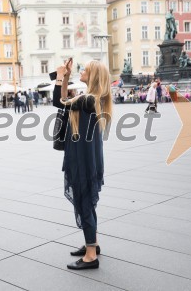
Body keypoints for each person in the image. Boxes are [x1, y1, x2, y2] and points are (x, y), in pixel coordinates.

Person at [53, 59, 113, 270]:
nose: (82, 71)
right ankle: (93, 244)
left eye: (85, 70)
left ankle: (90, 257)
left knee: (85, 203)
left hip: (83, 160)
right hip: (86, 156)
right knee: (88, 202)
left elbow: (59, 102)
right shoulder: (91, 98)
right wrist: (65, 78)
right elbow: (63, 99)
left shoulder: (88, 100)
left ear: (94, 76)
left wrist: (60, 76)